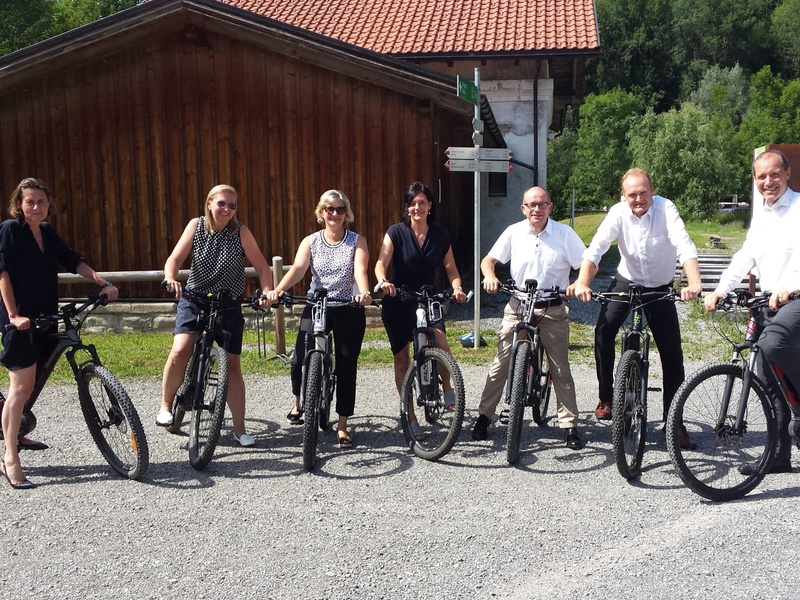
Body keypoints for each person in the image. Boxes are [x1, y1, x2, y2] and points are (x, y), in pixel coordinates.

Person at [568, 167, 702, 450]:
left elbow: (684, 245)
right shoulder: (618, 212)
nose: (638, 199)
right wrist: (582, 281)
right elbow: (597, 248)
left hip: (659, 286)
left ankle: (674, 422)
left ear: (652, 191)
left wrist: (694, 282)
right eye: (632, 194)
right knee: (603, 330)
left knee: (672, 353)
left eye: (643, 193)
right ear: (623, 196)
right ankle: (606, 397)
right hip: (626, 281)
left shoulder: (666, 209)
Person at [0, 178, 120, 489]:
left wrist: (101, 283)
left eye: (41, 202)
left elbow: (72, 260)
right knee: (21, 387)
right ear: (19, 204)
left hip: (46, 317)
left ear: (49, 205)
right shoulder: (11, 230)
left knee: (32, 382)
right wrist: (13, 315)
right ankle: (10, 457)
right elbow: (2, 273)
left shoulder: (47, 233)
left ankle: (18, 431)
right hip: (20, 320)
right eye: (30, 202)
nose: (36, 207)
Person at [705, 149, 800, 473]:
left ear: (787, 174)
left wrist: (793, 286)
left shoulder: (799, 208)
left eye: (774, 174)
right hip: (769, 300)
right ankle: (778, 456)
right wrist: (720, 289)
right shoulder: (763, 215)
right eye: (762, 176)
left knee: (772, 345)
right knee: (767, 377)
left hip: (797, 298)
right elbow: (745, 257)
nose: (768, 181)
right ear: (755, 180)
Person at [157, 184, 272, 448]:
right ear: (209, 203)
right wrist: (171, 278)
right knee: (180, 349)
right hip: (196, 299)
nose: (227, 210)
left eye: (232, 206)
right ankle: (165, 406)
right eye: (222, 204)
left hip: (229, 304)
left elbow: (263, 268)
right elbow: (174, 259)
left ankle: (239, 429)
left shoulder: (240, 232)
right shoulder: (196, 226)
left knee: (232, 365)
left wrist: (266, 292)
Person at [472, 186, 586, 449]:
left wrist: (579, 283)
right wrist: (490, 275)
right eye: (531, 205)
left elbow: (587, 263)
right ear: (523, 208)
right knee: (501, 361)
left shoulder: (564, 234)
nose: (536, 209)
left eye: (541, 204)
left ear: (550, 206)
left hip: (552, 306)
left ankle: (569, 426)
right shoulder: (514, 232)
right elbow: (489, 260)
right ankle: (484, 416)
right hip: (519, 304)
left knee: (560, 368)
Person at [265, 190, 371, 448]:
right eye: (329, 209)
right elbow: (300, 269)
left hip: (347, 305)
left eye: (340, 209)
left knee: (347, 366)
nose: (335, 214)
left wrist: (365, 292)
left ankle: (343, 425)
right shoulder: (310, 241)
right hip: (317, 304)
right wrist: (279, 290)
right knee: (299, 358)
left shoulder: (357, 241)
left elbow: (360, 269)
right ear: (321, 212)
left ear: (347, 214)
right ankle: (299, 401)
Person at [374, 181, 467, 439]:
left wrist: (457, 288)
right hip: (399, 298)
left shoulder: (440, 235)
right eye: (413, 203)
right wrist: (383, 281)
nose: (417, 207)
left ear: (430, 205)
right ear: (407, 207)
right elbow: (381, 262)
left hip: (428, 297)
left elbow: (451, 269)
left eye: (422, 202)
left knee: (440, 340)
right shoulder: (396, 232)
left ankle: (447, 386)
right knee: (402, 359)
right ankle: (411, 417)